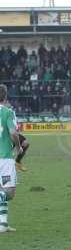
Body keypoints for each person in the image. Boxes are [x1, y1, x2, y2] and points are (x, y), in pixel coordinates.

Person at [0, 85, 23, 233]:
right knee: (9, 192)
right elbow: (13, 133)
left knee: (1, 191)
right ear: (5, 96)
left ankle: (2, 224)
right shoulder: (8, 113)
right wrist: (19, 146)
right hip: (4, 159)